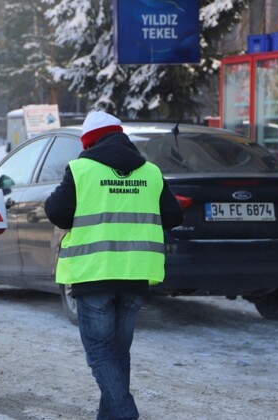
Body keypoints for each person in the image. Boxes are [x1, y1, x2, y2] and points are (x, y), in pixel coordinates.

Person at [44, 111, 182, 420]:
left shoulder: (80, 170)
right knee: (118, 354)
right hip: (135, 275)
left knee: (99, 352)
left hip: (93, 273)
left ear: (89, 142)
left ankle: (125, 413)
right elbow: (173, 216)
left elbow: (57, 212)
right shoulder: (151, 172)